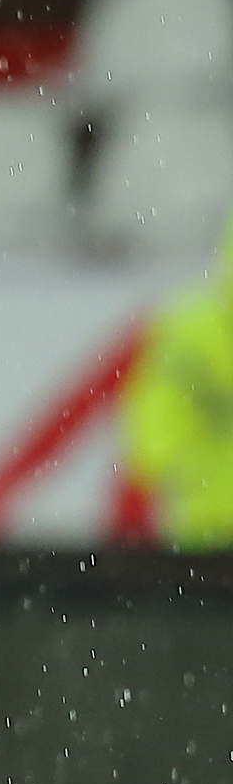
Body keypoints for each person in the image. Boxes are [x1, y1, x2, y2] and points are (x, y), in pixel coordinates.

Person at [123, 210, 233, 551]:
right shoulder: (190, 330)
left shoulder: (188, 326)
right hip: (205, 528)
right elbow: (153, 422)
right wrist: (186, 470)